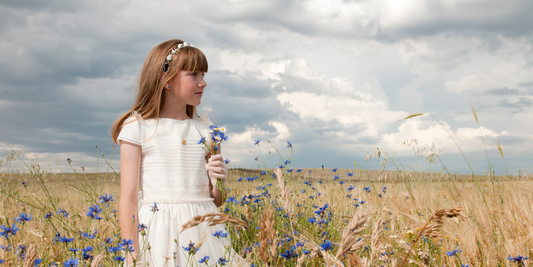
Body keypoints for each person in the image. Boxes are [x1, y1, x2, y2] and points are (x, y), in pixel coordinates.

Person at [111, 39, 245, 267]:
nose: (203, 82)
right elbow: (128, 199)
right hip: (158, 230)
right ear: (167, 79)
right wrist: (131, 253)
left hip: (205, 229)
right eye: (194, 74)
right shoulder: (138, 127)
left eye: (204, 74)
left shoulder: (209, 130)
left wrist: (219, 180)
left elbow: (217, 200)